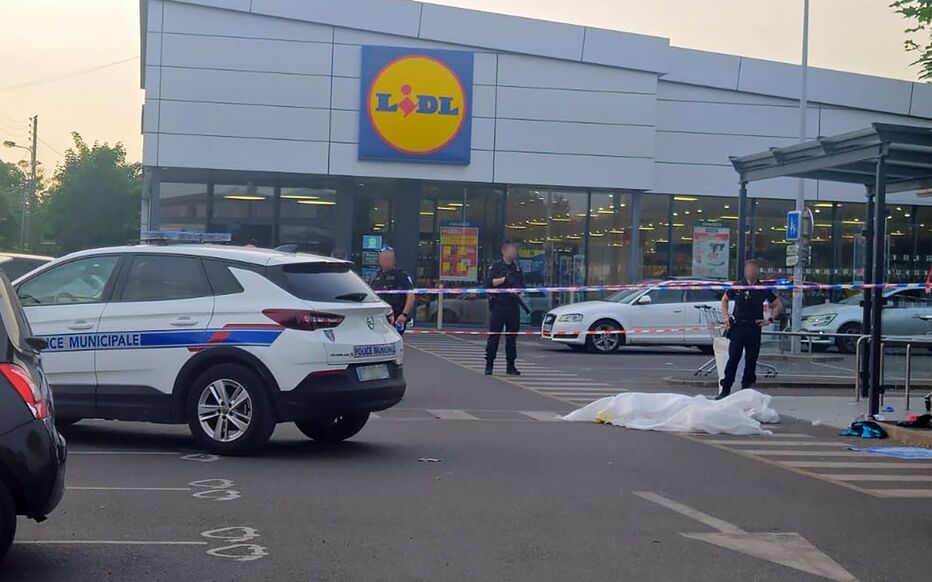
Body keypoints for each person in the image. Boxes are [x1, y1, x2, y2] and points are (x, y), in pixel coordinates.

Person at [718, 258, 783, 399]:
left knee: (751, 359)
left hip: (754, 327)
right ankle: (726, 389)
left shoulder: (762, 289)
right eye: (749, 269)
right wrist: (725, 316)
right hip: (738, 327)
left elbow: (778, 304)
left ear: (757, 271)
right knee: (733, 358)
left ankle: (746, 388)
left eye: (754, 269)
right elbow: (724, 299)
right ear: (745, 271)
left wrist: (769, 320)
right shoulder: (738, 286)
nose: (751, 272)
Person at [485, 242, 526, 376]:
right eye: (511, 251)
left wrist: (520, 293)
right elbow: (489, 283)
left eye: (515, 252)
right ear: (504, 252)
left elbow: (522, 286)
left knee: (512, 338)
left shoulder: (517, 268)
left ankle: (511, 365)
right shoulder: (496, 266)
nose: (514, 254)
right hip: (499, 305)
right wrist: (504, 279)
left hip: (513, 305)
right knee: (494, 336)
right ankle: (489, 365)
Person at [370, 246, 415, 335]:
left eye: (389, 259)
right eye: (384, 259)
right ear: (379, 260)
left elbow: (411, 295)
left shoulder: (401, 275)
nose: (387, 262)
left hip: (396, 317)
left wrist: (404, 314)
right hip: (380, 317)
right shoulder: (378, 276)